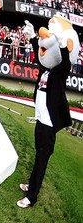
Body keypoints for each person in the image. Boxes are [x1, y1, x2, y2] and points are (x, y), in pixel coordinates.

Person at [17, 18, 79, 208]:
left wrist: (62, 46)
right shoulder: (46, 70)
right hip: (41, 121)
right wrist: (33, 37)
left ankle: (31, 197)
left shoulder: (60, 73)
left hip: (49, 124)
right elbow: (42, 54)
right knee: (38, 156)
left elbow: (63, 63)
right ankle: (31, 185)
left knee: (42, 159)